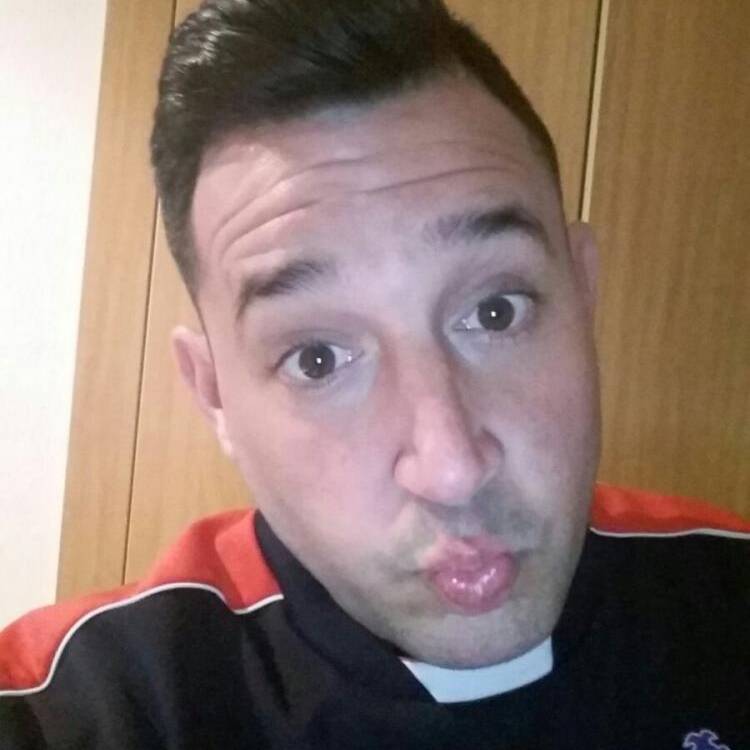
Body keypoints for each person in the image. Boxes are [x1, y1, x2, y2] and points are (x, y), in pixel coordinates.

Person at [1, 1, 749, 747]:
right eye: (318, 359)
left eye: (495, 312)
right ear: (214, 394)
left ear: (582, 293)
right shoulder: (77, 705)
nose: (452, 471)